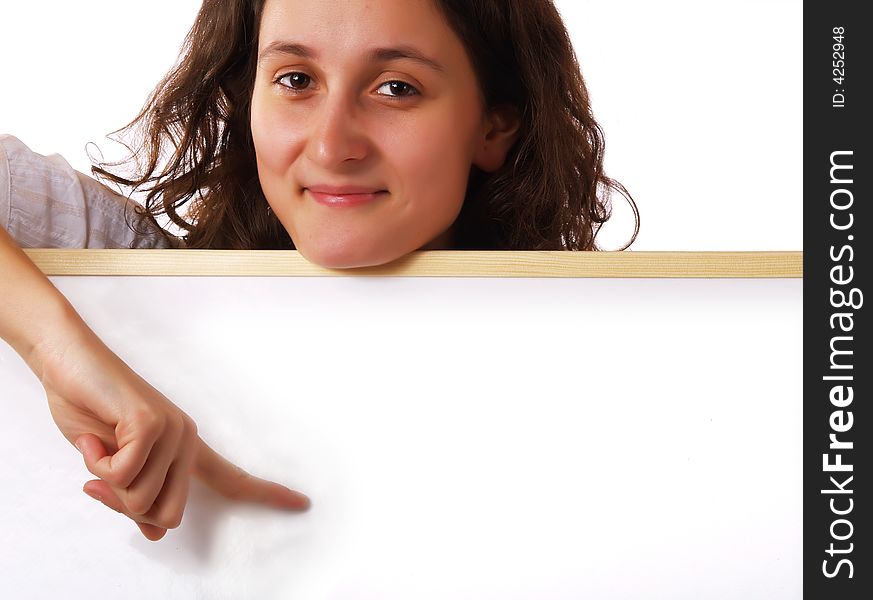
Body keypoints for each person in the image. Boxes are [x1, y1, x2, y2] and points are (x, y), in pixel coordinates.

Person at [0, 0, 638, 541]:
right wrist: (58, 349)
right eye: (296, 80)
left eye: (396, 87)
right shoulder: (136, 283)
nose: (334, 145)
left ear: (493, 126)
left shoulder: (620, 363)